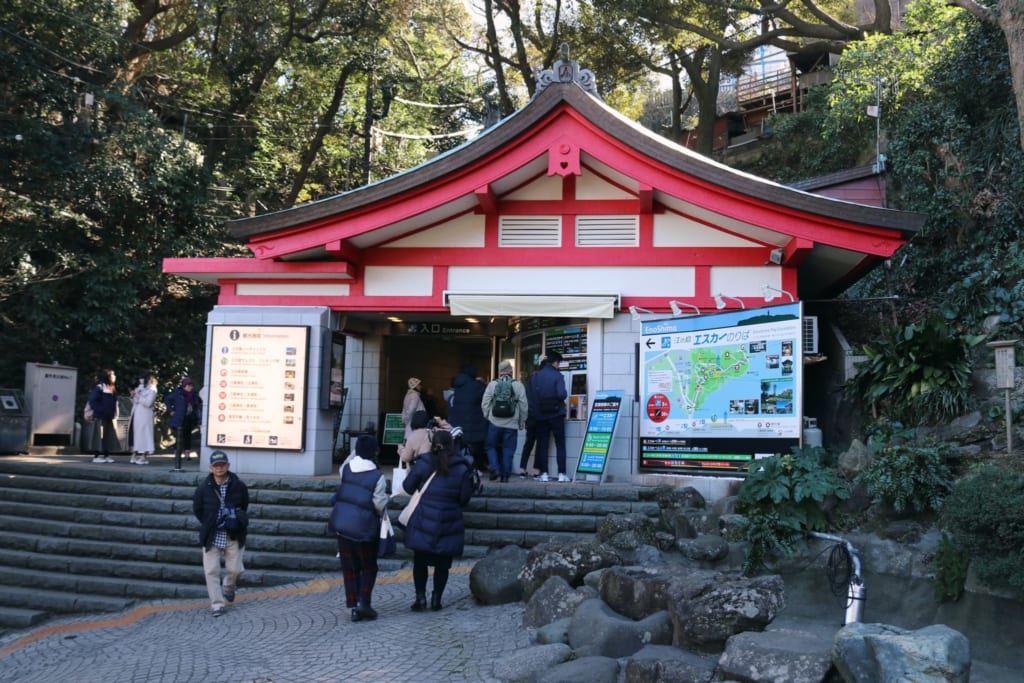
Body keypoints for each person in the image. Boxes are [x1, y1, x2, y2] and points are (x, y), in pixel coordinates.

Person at [401, 429, 474, 612]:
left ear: (433, 444)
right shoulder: (462, 467)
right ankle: (436, 599)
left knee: (420, 561)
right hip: (449, 521)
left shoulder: (424, 463)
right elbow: (464, 498)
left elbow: (408, 487)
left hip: (424, 519)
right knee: (443, 564)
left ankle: (420, 599)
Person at [330, 434, 387, 622]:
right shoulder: (377, 477)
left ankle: (354, 608)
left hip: (343, 527)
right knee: (369, 567)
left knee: (349, 568)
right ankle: (364, 603)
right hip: (364, 529)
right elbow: (379, 505)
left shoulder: (346, 469)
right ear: (374, 453)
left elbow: (349, 460)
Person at [192, 450, 249, 617]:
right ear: (211, 467)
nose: (219, 468)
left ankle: (229, 587)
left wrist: (235, 519)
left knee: (235, 570)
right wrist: (209, 522)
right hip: (212, 535)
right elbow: (198, 509)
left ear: (228, 465)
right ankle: (217, 604)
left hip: (233, 534)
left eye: (222, 465)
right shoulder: (203, 488)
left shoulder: (239, 485)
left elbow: (244, 505)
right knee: (211, 571)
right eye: (216, 465)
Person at [480, 360, 528, 483]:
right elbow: (524, 405)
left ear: (500, 372)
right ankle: (505, 475)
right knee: (508, 449)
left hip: (494, 422)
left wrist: (487, 416)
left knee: (490, 446)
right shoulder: (518, 385)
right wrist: (522, 421)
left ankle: (495, 468)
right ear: (511, 371)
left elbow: (485, 402)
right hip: (511, 423)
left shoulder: (492, 384)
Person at [529, 351, 569, 482]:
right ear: (555, 362)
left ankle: (544, 474)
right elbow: (561, 394)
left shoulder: (535, 376)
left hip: (541, 416)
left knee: (543, 445)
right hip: (556, 414)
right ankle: (562, 474)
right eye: (558, 363)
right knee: (560, 444)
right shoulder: (558, 376)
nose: (559, 366)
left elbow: (532, 398)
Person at [447, 364, 489, 472]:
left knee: (463, 446)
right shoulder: (477, 386)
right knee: (477, 447)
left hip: (460, 421)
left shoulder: (458, 386)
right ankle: (477, 466)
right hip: (475, 422)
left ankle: (464, 466)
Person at [166, 376, 202, 469]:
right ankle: (177, 454)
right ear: (184, 386)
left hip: (189, 418)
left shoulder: (194, 394)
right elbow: (168, 399)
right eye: (189, 385)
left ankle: (187, 454)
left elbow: (198, 404)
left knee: (188, 436)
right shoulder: (178, 394)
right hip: (179, 418)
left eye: (191, 385)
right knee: (179, 436)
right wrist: (171, 410)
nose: (190, 387)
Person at [87, 368, 120, 464]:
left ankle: (107, 455)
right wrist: (101, 410)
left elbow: (115, 402)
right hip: (100, 416)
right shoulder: (100, 387)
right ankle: (97, 456)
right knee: (99, 436)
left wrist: (115, 413)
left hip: (109, 416)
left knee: (108, 436)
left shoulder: (112, 388)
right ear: (108, 376)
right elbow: (92, 400)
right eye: (113, 375)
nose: (114, 376)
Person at [130, 374, 158, 465]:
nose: (140, 380)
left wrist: (138, 395)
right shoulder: (140, 388)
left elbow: (148, 403)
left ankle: (143, 456)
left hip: (146, 415)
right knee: (137, 434)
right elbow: (135, 400)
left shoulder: (152, 389)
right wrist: (134, 395)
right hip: (137, 414)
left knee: (145, 434)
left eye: (142, 378)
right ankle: (135, 454)